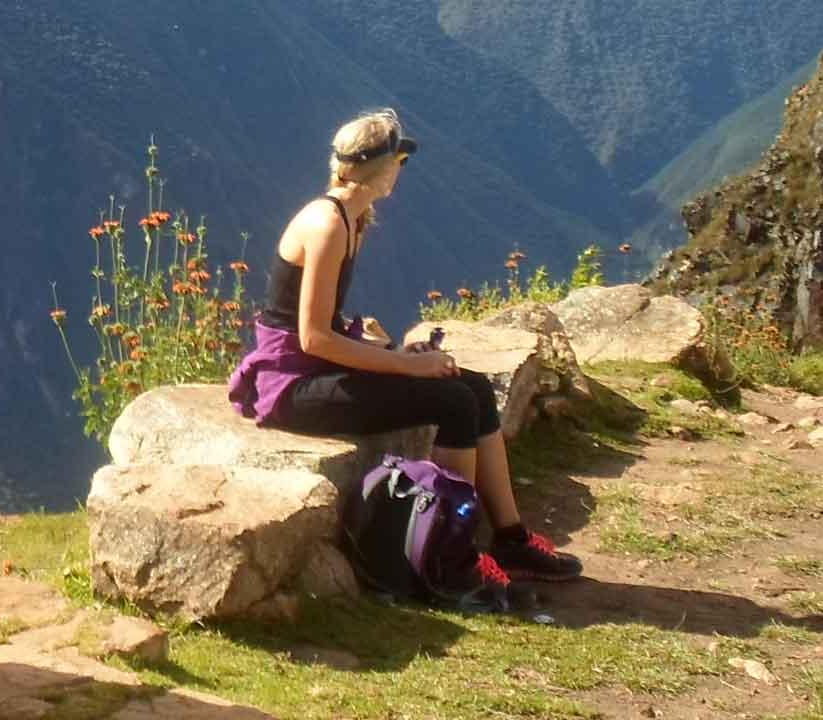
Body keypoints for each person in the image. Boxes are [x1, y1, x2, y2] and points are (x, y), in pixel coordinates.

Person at [229, 107, 581, 589]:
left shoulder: (349, 217)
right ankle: (452, 558)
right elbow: (311, 338)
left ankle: (511, 538)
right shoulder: (329, 224)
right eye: (399, 160)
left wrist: (390, 351)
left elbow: (318, 327)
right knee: (452, 401)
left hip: (310, 370)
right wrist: (402, 366)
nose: (401, 170)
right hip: (291, 387)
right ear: (382, 167)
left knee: (471, 388)